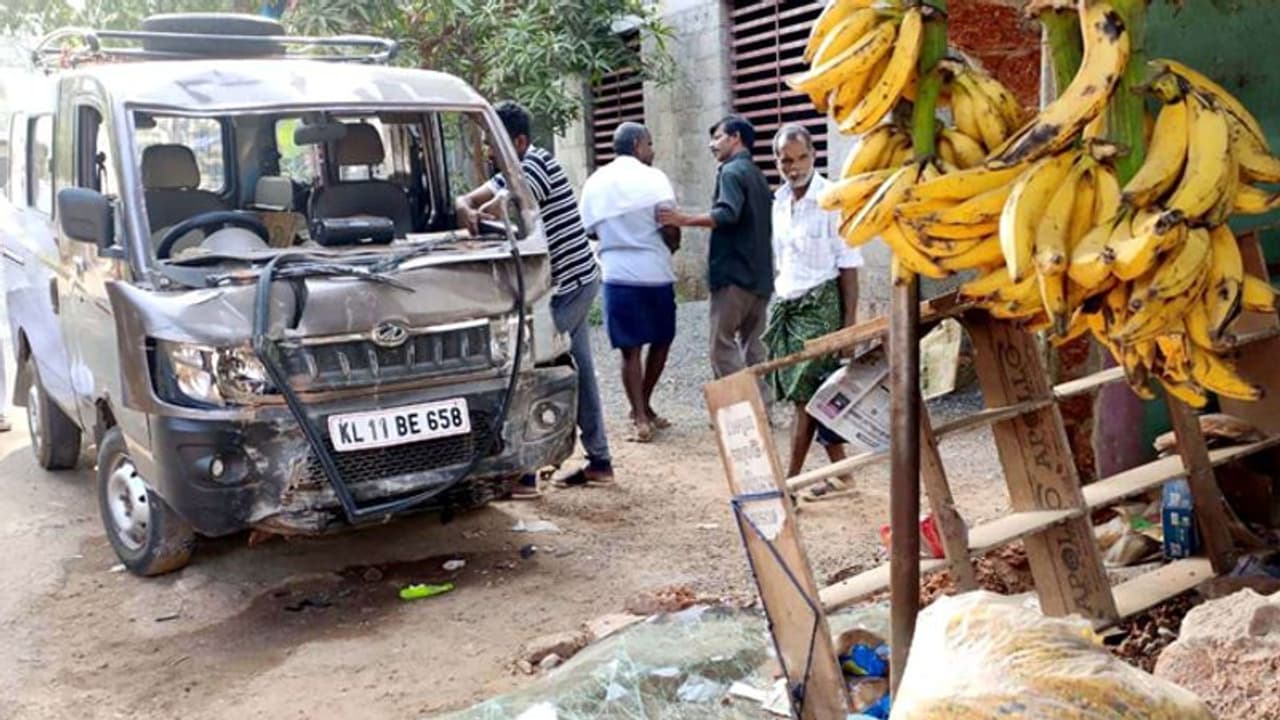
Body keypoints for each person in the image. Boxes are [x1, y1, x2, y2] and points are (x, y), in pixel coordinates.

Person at [455, 101, 611, 496]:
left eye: (494, 143)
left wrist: (479, 211)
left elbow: (502, 205)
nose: (488, 151)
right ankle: (600, 460)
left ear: (519, 142)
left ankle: (526, 471)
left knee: (530, 364)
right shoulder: (514, 168)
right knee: (580, 369)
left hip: (571, 284)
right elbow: (471, 199)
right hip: (567, 284)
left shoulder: (534, 166)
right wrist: (463, 205)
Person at [764, 124, 862, 498]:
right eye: (786, 160)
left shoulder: (831, 200)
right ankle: (843, 474)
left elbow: (849, 267)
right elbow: (781, 261)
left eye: (801, 157)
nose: (795, 167)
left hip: (821, 309)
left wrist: (848, 329)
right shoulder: (778, 203)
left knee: (805, 398)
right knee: (812, 394)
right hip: (788, 308)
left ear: (814, 155)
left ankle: (789, 483)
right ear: (777, 162)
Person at [579, 122, 680, 442]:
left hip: (617, 274)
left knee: (630, 350)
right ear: (637, 144)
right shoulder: (654, 178)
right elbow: (670, 225)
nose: (653, 150)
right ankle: (643, 406)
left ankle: (640, 414)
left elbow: (589, 230)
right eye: (649, 144)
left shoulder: (596, 182)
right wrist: (672, 244)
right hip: (655, 272)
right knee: (662, 340)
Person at [658, 114, 773, 381]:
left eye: (718, 137)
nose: (712, 144)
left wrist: (682, 219)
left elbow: (727, 214)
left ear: (736, 138)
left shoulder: (731, 172)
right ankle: (763, 404)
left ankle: (740, 405)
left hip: (734, 277)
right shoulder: (757, 174)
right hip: (760, 278)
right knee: (754, 349)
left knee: (721, 348)